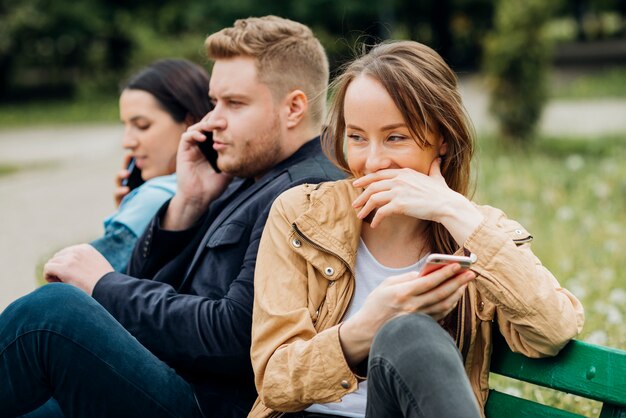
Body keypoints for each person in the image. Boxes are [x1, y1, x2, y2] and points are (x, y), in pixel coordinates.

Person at [0, 16, 343, 418]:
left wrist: (104, 285)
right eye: (214, 102)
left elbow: (237, 336)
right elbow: (150, 283)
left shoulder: (307, 193)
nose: (212, 119)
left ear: (294, 108)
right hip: (168, 378)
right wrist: (187, 204)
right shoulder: (248, 174)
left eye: (234, 104)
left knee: (51, 315)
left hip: (208, 404)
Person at [249, 40, 585, 418]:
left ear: (442, 139)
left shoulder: (477, 233)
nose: (372, 161)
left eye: (396, 137)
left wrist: (454, 210)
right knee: (404, 330)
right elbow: (274, 380)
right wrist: (367, 326)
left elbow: (552, 330)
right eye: (357, 137)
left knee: (410, 333)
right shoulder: (300, 215)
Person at [90, 58, 212, 272]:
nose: (127, 141)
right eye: (126, 126)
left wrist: (134, 212)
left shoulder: (155, 197)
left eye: (142, 126)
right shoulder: (225, 183)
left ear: (190, 123)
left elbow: (73, 281)